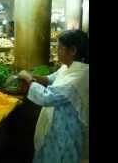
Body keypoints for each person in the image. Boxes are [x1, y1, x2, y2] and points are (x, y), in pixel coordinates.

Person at [18, 30, 89, 163]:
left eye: (60, 48)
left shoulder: (80, 75)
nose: (57, 51)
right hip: (55, 128)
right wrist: (31, 75)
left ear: (72, 50)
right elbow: (49, 79)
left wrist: (29, 79)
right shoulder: (68, 67)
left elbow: (47, 97)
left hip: (66, 131)